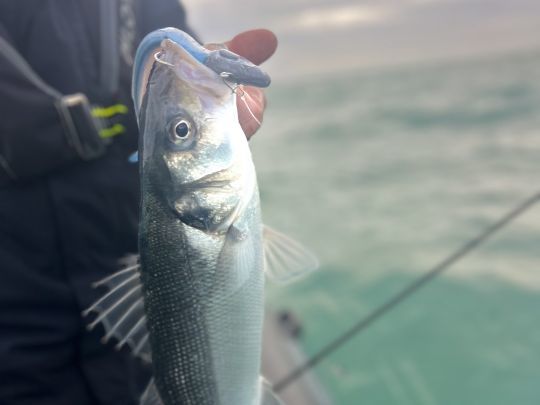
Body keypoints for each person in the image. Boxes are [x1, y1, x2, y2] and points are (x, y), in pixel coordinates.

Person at [0, 1, 277, 404]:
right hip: (15, 302)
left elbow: (173, 65)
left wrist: (210, 80)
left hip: (128, 253)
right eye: (184, 132)